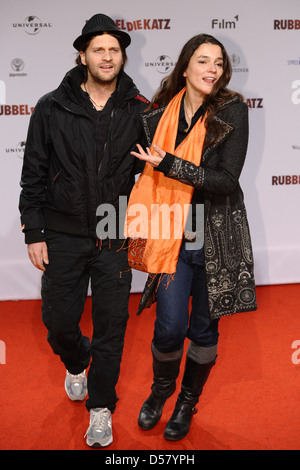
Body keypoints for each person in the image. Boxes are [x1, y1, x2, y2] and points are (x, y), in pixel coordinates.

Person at [19, 13, 148, 448]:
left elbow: (152, 173)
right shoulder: (51, 106)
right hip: (62, 235)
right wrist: (33, 231)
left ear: (122, 56)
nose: (107, 56)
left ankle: (100, 408)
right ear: (83, 54)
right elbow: (33, 172)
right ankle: (77, 360)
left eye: (114, 50)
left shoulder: (139, 109)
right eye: (99, 49)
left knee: (112, 326)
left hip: (114, 234)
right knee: (57, 324)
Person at [126, 33, 257, 441]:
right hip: (171, 234)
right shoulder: (157, 114)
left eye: (218, 62)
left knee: (203, 329)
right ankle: (160, 390)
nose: (212, 69)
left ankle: (187, 401)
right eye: (203, 61)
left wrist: (170, 164)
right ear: (185, 67)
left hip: (217, 235)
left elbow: (225, 180)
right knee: (168, 326)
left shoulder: (233, 109)